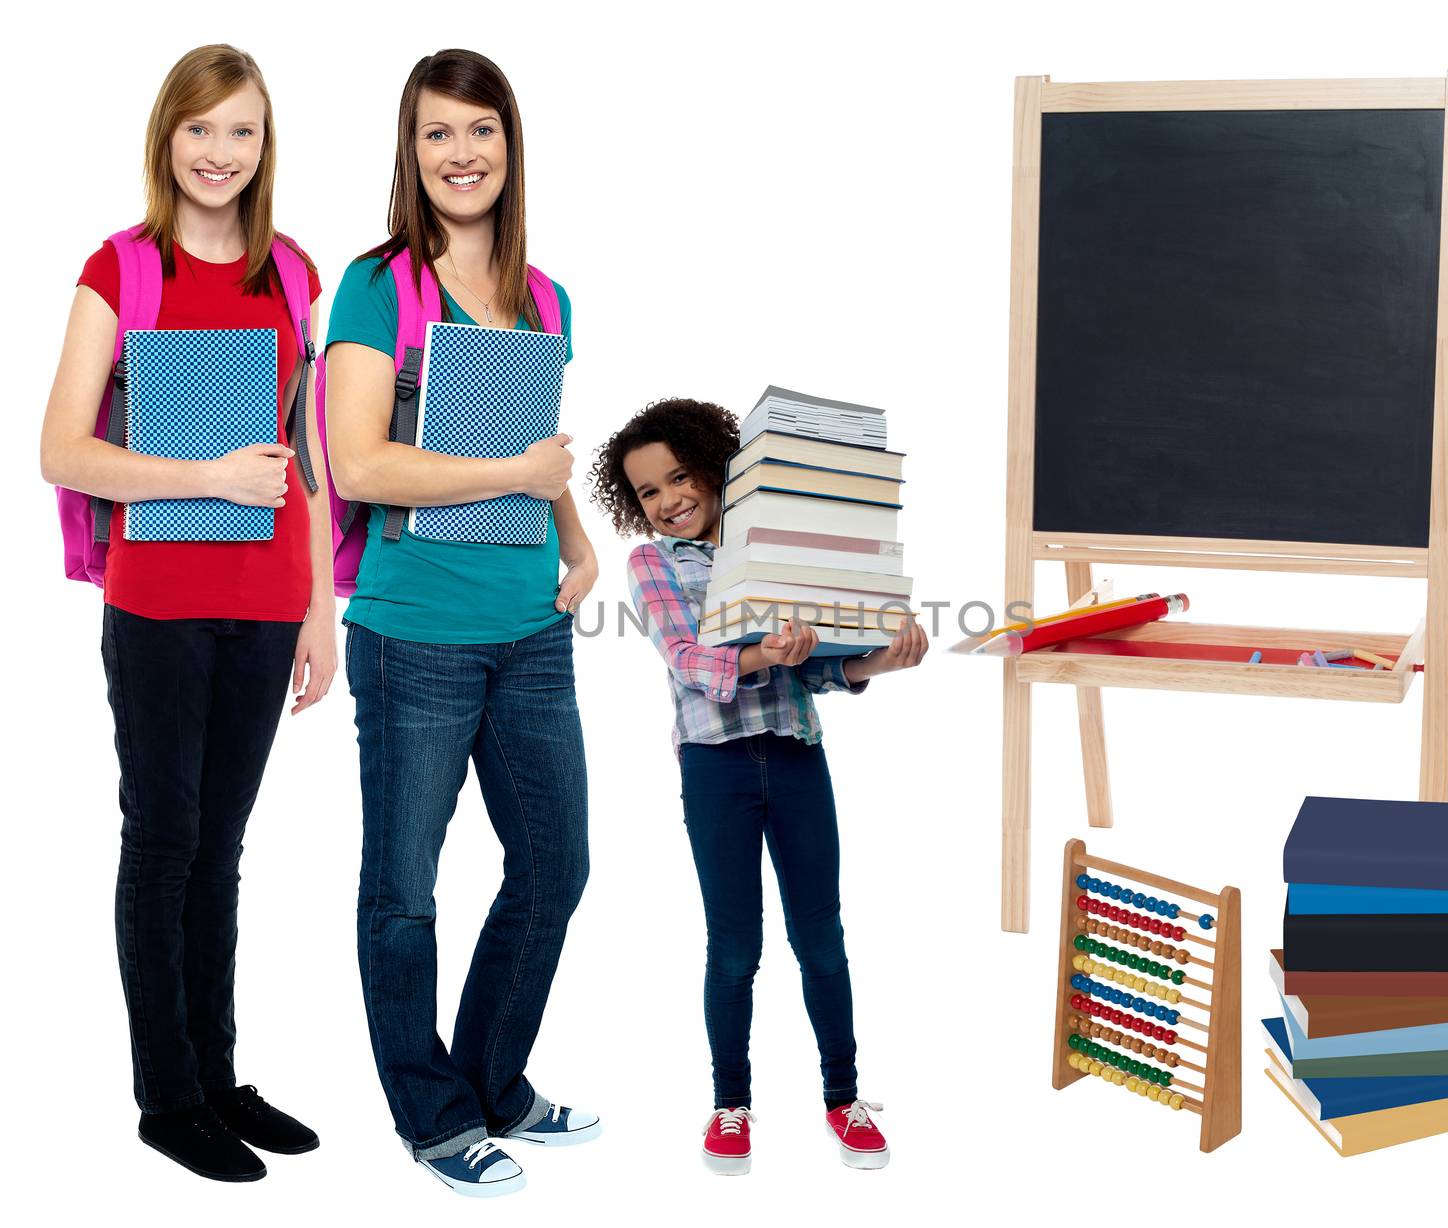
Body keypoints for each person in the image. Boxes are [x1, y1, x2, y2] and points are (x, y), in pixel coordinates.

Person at [39, 44, 332, 1183]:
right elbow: (61, 447)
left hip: (267, 605)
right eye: (202, 130)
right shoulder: (120, 268)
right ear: (169, 138)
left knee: (222, 848)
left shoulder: (293, 271)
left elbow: (305, 451)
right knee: (162, 843)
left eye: (244, 132)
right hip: (157, 602)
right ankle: (167, 1095)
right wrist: (207, 477)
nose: (222, 154)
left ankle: (217, 1073)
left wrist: (317, 609)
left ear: (266, 146)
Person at [323, 48, 598, 1198]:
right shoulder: (378, 285)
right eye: (437, 134)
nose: (461, 153)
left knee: (555, 864)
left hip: (527, 622)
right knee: (405, 886)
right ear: (411, 151)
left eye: (479, 129)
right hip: (412, 631)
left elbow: (541, 456)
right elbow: (358, 459)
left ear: (508, 142)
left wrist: (577, 542)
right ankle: (432, 1118)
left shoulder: (546, 297)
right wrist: (515, 468)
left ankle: (491, 1081)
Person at [589, 398, 928, 1175]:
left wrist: (882, 658)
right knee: (735, 947)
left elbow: (817, 668)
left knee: (822, 939)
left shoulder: (770, 547)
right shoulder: (652, 564)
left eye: (680, 477)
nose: (670, 499)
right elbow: (687, 661)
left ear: (715, 467)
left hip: (798, 754)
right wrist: (765, 655)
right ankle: (729, 1104)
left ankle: (843, 1097)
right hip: (717, 768)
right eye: (649, 492)